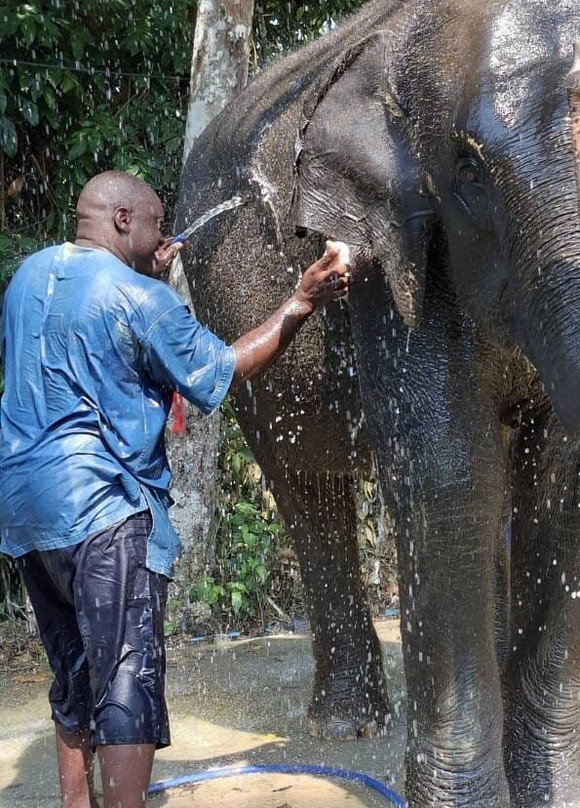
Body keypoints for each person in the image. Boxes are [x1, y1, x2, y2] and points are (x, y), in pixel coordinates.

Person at [0, 171, 351, 808]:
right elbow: (223, 369)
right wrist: (300, 301)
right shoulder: (141, 300)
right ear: (124, 221)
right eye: (157, 223)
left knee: (74, 671)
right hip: (104, 510)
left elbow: (93, 349)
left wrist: (150, 279)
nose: (166, 237)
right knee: (126, 676)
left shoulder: (28, 276)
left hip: (26, 510)